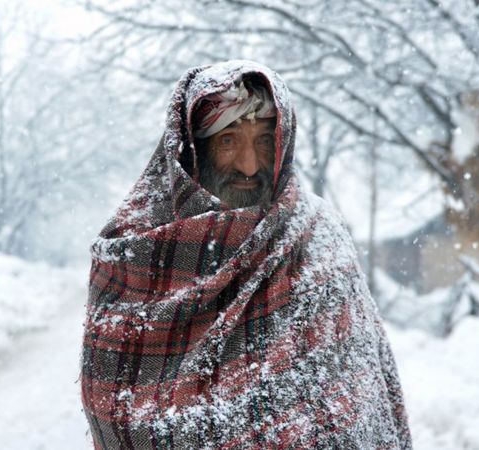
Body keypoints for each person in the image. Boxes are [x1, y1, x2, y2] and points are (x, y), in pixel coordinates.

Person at [79, 60, 412, 449]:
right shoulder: (136, 250)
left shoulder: (317, 238)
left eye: (264, 140)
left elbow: (357, 404)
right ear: (193, 150)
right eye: (228, 140)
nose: (250, 165)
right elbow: (114, 404)